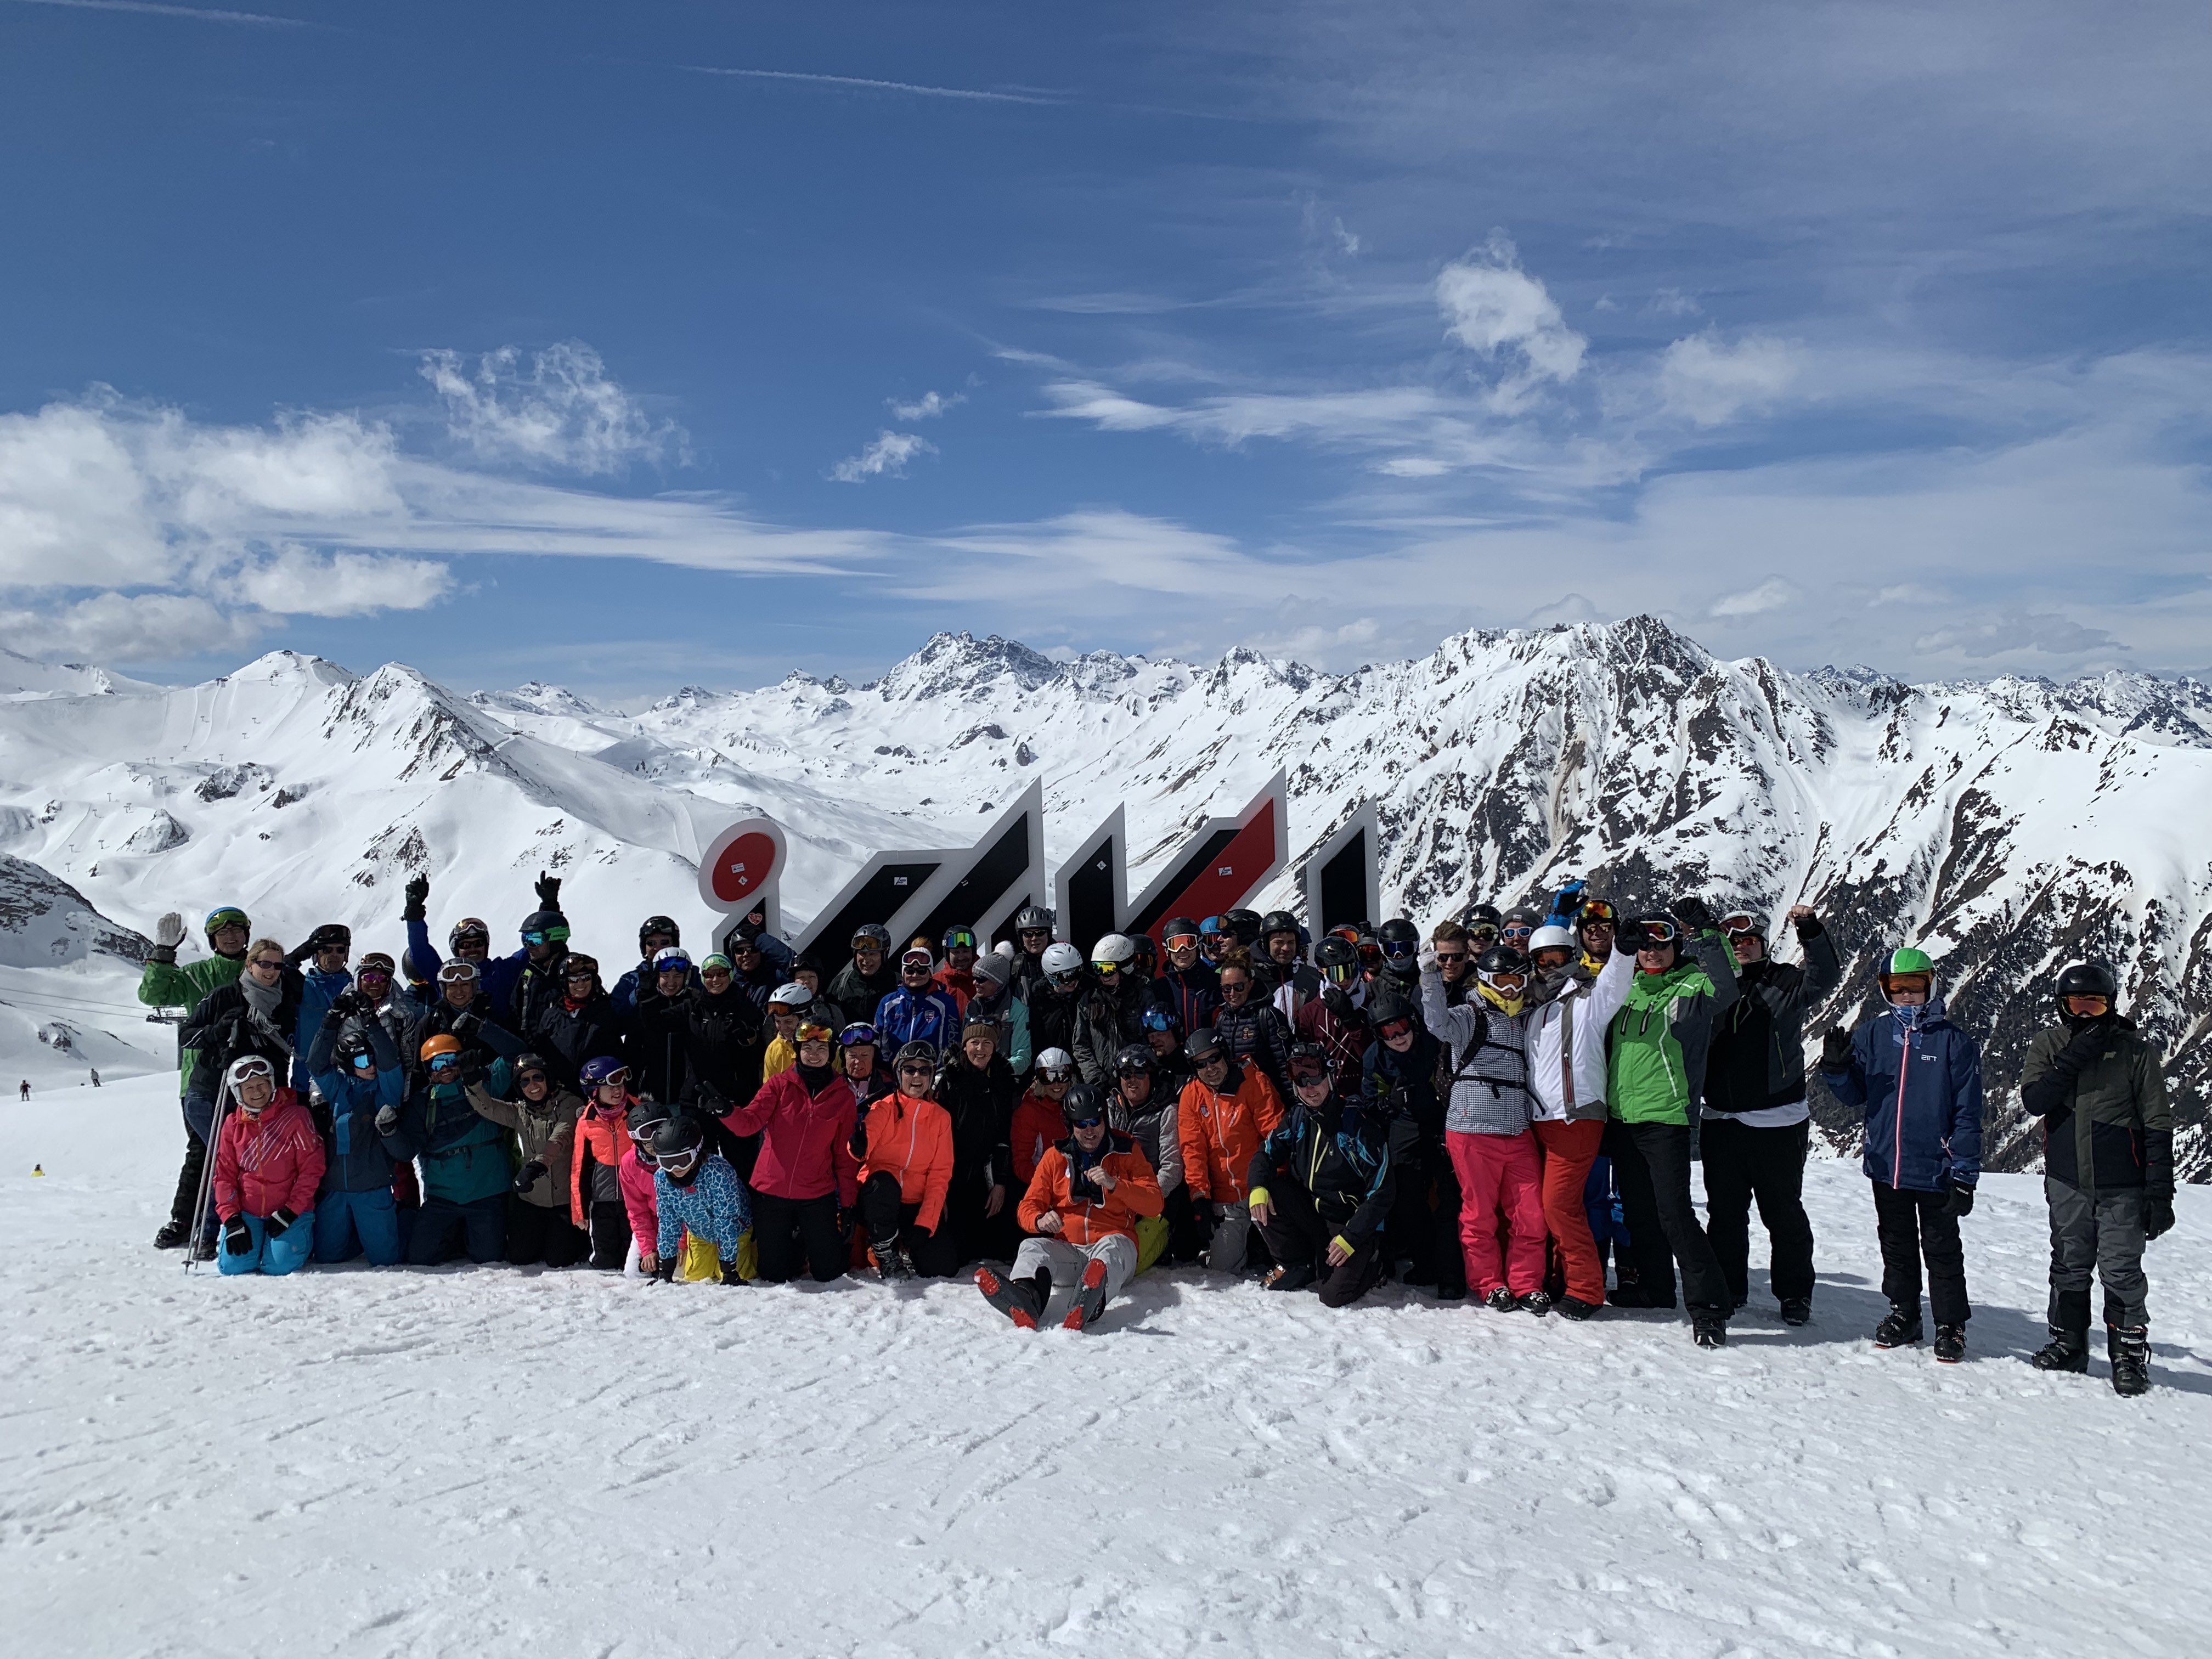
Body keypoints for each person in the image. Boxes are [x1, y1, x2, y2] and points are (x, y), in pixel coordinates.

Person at [1816, 946, 1982, 1363]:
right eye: (1898, 988)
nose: (1907, 995)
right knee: (1897, 1245)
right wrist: (1837, 1069)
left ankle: (1951, 1325)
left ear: (1931, 986)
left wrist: (1964, 1172)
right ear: (1885, 990)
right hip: (1886, 1165)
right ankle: (1904, 1313)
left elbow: (1967, 1111)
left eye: (1915, 987)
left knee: (1943, 1249)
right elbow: (1857, 1095)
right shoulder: (1874, 1034)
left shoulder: (1953, 1043)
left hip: (1936, 1169)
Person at [2017, 959, 2169, 1393]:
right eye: (2077, 1004)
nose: (2085, 1014)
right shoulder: (2047, 1044)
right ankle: (2068, 1344)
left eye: (2095, 1005)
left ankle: (2128, 1357)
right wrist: (2076, 1054)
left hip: (2124, 1184)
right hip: (2068, 1181)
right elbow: (2036, 1100)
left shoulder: (2134, 1053)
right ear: (2062, 1006)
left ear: (2111, 1005)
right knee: (2069, 1265)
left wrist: (2160, 1190)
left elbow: (2157, 1122)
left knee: (2121, 1271)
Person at [1604, 901, 1740, 1346]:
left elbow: (1728, 987)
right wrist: (1619, 956)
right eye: (1643, 945)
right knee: (1641, 1213)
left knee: (1676, 1215)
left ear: (1674, 945)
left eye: (1661, 943)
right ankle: (1657, 1290)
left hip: (1666, 1116)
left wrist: (1706, 935)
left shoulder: (1692, 985)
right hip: (1622, 1116)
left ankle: (1710, 1308)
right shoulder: (1627, 986)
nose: (1652, 952)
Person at [1699, 905, 1840, 1325]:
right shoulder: (1709, 985)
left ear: (1763, 942)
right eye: (1734, 940)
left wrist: (1810, 930)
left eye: (1749, 939)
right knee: (1725, 1213)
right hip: (1722, 1118)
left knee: (1782, 1212)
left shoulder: (1786, 981)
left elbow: (1825, 977)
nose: (1741, 946)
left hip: (1777, 1119)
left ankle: (1795, 1294)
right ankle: (1729, 1286)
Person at [1423, 943, 1548, 1313]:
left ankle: (1527, 1283)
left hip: (1517, 1129)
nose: (1511, 991)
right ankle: (1489, 1282)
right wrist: (1430, 977)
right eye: (1502, 982)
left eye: (1517, 982)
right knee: (1479, 1213)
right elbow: (1436, 1023)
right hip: (1472, 1128)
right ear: (1487, 981)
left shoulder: (1527, 1018)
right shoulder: (1467, 1015)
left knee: (1531, 1214)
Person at [979, 1081, 1163, 1330]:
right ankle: (1026, 1298)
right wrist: (1039, 1220)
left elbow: (1154, 1203)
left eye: (1095, 1122)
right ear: (1070, 1125)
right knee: (1031, 1246)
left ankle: (1090, 1302)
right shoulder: (1055, 1157)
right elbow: (1027, 1206)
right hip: (1070, 1250)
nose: (1089, 1131)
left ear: (1104, 1121)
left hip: (1114, 1246)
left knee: (1113, 1248)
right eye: (1081, 1124)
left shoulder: (1127, 1151)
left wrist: (1115, 1185)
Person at [1521, 924, 1634, 1319]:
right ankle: (1558, 1280)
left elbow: (1616, 984)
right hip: (1540, 1120)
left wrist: (1625, 948)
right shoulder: (1534, 1009)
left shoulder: (1589, 1000)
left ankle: (1587, 1288)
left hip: (1577, 1118)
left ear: (1573, 956)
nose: (1551, 967)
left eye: (1558, 958)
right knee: (1546, 1207)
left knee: (1560, 1207)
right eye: (1542, 960)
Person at [144, 905, 254, 1247]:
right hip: (200, 1080)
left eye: (237, 931)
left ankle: (240, 1217)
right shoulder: (195, 975)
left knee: (250, 1150)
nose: (231, 937)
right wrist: (163, 955)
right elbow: (152, 995)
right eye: (223, 934)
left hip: (252, 1078)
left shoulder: (262, 970)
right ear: (212, 941)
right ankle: (185, 1219)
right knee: (203, 1151)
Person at [1249, 1045, 1394, 1305]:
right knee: (1270, 1191)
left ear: (1329, 1077)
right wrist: (1257, 1187)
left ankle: (1374, 1266)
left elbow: (1382, 1192)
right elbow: (1266, 1154)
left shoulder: (1357, 1126)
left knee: (1332, 1296)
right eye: (1300, 1080)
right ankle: (1296, 1264)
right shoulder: (1297, 1118)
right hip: (1315, 1215)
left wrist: (1351, 1238)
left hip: (1350, 1223)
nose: (1309, 1088)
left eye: (1315, 1078)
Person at [719, 1019, 860, 1284]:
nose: (815, 1054)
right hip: (772, 1193)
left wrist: (849, 1204)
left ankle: (808, 1242)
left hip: (816, 1193)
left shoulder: (843, 1096)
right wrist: (726, 1112)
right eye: (808, 1048)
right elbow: (748, 1124)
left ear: (832, 1052)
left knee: (829, 1274)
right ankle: (795, 1246)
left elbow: (844, 1156)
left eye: (822, 1048)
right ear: (798, 1050)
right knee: (774, 1275)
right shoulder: (778, 1085)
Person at [1361, 990, 1459, 1298]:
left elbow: (1456, 1082)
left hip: (1444, 1121)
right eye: (1387, 1032)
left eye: (1402, 1026)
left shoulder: (1434, 1044)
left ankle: (1452, 1273)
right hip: (1404, 1125)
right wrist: (1388, 1104)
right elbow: (1369, 1102)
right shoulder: (1374, 1058)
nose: (1398, 1036)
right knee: (1407, 1196)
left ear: (1413, 1022)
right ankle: (1424, 1262)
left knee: (1451, 1196)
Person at [383, 1033, 512, 1265]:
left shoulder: (484, 1083)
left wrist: (483, 1028)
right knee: (421, 1257)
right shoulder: (422, 1103)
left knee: (488, 1257)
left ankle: (465, 1235)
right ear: (429, 1070)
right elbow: (405, 1152)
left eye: (451, 1061)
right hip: (443, 1198)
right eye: (436, 1064)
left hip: (486, 1193)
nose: (445, 1069)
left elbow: (515, 1053)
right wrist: (389, 1132)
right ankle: (452, 1233)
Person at [305, 992, 407, 1266]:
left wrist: (371, 1022)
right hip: (335, 1191)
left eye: (373, 1059)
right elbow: (316, 1064)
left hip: (373, 1190)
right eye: (363, 1061)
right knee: (327, 1258)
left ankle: (397, 1226)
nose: (371, 1066)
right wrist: (330, 1022)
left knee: (385, 1261)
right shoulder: (340, 1090)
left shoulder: (386, 1091)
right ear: (350, 1065)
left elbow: (389, 1062)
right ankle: (359, 1237)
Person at [1175, 1027, 1284, 1273]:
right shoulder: (1191, 1096)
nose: (1210, 1068)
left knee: (1284, 1256)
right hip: (1226, 1199)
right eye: (1201, 1064)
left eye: (1214, 1058)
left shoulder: (1254, 1082)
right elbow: (1193, 1150)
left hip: (1261, 1190)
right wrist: (1200, 1197)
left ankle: (1263, 1242)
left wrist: (1271, 1182)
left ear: (1225, 1054)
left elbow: (1275, 1138)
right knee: (1222, 1270)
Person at [469, 1052, 586, 1268]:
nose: (532, 1085)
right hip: (532, 1201)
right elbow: (488, 1107)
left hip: (564, 1202)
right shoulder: (520, 1112)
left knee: (559, 1260)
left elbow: (559, 1139)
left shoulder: (570, 1104)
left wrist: (536, 1166)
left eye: (537, 1078)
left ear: (548, 1078)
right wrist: (472, 1085)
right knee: (520, 1257)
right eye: (524, 1081)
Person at [211, 1055, 325, 1277]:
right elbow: (224, 1176)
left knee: (278, 1267)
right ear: (238, 1093)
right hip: (248, 1211)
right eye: (249, 1087)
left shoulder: (296, 1117)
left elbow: (312, 1169)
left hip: (289, 1210)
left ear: (272, 1083)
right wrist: (231, 1219)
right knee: (232, 1267)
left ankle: (293, 1239)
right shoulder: (233, 1125)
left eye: (262, 1084)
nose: (257, 1092)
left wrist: (291, 1211)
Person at [853, 1041, 957, 1279]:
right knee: (883, 1183)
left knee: (944, 1266)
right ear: (899, 1073)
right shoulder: (884, 1107)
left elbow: (940, 1174)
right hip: (880, 1199)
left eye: (924, 1070)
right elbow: (864, 1144)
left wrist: (926, 1222)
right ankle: (885, 1251)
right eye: (910, 1069)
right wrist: (858, 1145)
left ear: (932, 1074)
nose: (917, 1076)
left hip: (915, 1203)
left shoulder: (941, 1118)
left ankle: (904, 1245)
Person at [935, 1013, 1021, 1264]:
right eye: (974, 1043)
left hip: (986, 1173)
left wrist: (1001, 1183)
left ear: (995, 1048)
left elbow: (1004, 1137)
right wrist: (939, 1191)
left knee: (1002, 1247)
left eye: (987, 1043)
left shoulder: (1003, 1082)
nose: (980, 1049)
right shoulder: (948, 1080)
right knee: (954, 1257)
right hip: (952, 1174)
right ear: (964, 1045)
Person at [646, 1115, 750, 1285]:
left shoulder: (719, 1173)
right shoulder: (662, 1179)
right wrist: (665, 1272)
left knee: (736, 1274)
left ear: (696, 1152)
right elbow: (668, 1223)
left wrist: (730, 1270)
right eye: (667, 1162)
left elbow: (726, 1221)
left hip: (735, 1233)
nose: (675, 1169)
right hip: (699, 1234)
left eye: (681, 1160)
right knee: (697, 1278)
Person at [1107, 1043, 1184, 1271]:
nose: (1132, 1080)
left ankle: (1165, 1240)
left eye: (1140, 1073)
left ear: (1151, 1075)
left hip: (1155, 1204)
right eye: (1126, 1074)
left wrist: (1142, 1200)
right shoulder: (1111, 1106)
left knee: (1130, 1262)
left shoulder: (1167, 1111)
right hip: (1118, 1200)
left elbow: (1173, 1168)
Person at [570, 1056, 639, 1269]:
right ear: (594, 1091)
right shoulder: (586, 1121)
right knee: (606, 1260)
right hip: (603, 1199)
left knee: (632, 1259)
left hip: (635, 1197)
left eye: (620, 1083)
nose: (617, 1090)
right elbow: (579, 1166)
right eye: (609, 1086)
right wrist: (579, 1211)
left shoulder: (638, 1110)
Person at [531, 955, 628, 1093]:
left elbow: (617, 1056)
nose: (581, 984)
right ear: (565, 982)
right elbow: (540, 1055)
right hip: (559, 1097)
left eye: (586, 978)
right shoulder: (551, 1016)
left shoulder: (606, 1012)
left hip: (598, 1094)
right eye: (574, 980)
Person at [1072, 933, 1150, 1087]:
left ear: (1125, 967)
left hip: (1135, 1081)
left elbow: (1152, 1041)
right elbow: (1081, 1045)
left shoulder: (1143, 996)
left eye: (1108, 969)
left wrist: (1136, 1073)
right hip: (1101, 1084)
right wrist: (1095, 1078)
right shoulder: (1090, 1000)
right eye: (1098, 968)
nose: (1103, 975)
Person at [1297, 937, 1370, 1097]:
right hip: (1329, 1096)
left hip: (1366, 1092)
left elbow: (1372, 1055)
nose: (1345, 980)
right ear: (1322, 972)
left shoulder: (1369, 1002)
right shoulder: (1309, 1012)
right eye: (1337, 974)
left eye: (1350, 971)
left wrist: (1351, 1020)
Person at [284, 923, 353, 1093]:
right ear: (316, 954)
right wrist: (303, 951)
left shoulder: (355, 989)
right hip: (306, 1084)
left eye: (340, 950)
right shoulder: (303, 987)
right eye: (327, 950)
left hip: (347, 1086)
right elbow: (281, 969)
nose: (334, 955)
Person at [1211, 960, 1292, 1102]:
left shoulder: (1268, 1016)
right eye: (1226, 988)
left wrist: (1292, 1104)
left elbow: (1285, 1066)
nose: (1232, 993)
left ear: (1250, 985)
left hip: (1269, 1101)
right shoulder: (1222, 1019)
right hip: (1238, 1104)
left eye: (1239, 987)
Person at [630, 948, 700, 1105]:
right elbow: (631, 1052)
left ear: (686, 977)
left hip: (687, 1100)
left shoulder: (696, 1005)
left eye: (677, 976)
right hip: (648, 1099)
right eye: (665, 976)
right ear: (657, 977)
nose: (671, 982)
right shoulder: (645, 1007)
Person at [875, 944, 962, 1053]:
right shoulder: (888, 1003)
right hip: (895, 1068)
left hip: (931, 1068)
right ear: (903, 973)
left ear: (930, 973)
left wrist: (939, 1069)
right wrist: (889, 1068)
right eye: (910, 970)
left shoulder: (945, 1003)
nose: (915, 975)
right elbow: (880, 1043)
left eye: (922, 970)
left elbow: (949, 1043)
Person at [1011, 1048, 1076, 1192]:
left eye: (1062, 1075)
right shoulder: (1029, 1112)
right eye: (1048, 1077)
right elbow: (1021, 1164)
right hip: (1046, 1189)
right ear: (1039, 1080)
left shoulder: (1077, 1105)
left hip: (1077, 1185)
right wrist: (1051, 1185)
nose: (1056, 1084)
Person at [964, 950, 1031, 1076]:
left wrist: (992, 1070)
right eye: (974, 978)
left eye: (981, 979)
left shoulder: (1018, 1011)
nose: (975, 983)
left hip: (1002, 1084)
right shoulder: (971, 1007)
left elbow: (1023, 1058)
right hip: (972, 1081)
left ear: (998, 981)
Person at [611, 915, 692, 1015]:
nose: (658, 948)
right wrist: (637, 996)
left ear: (674, 944)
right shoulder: (630, 981)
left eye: (664, 942)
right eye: (651, 943)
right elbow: (614, 1015)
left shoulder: (691, 973)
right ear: (644, 947)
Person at [1155, 916, 1221, 1036]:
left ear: (1198, 945)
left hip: (1208, 1052)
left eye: (1189, 943)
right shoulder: (1160, 988)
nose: (1183, 950)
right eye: (1175, 945)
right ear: (1167, 950)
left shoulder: (1216, 983)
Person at [1026, 943, 1087, 1060]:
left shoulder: (1086, 991)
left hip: (1081, 1061)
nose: (1073, 981)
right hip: (1052, 1062)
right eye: (1066, 976)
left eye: (1078, 972)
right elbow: (1036, 1035)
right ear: (1051, 977)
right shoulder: (1040, 996)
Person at [827, 924, 899, 1018]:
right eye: (862, 953)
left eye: (873, 954)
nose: (867, 960)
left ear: (884, 954)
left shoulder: (897, 983)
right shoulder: (841, 984)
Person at [1259, 912, 1320, 1021]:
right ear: (1266, 944)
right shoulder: (1251, 977)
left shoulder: (1313, 977)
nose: (1286, 948)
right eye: (1279, 942)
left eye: (1291, 942)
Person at [1008, 906, 1056, 1002]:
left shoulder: (1062, 960)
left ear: (1049, 934)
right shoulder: (1015, 966)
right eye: (1028, 934)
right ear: (1021, 938)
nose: (1034, 938)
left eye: (1040, 933)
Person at [1431, 922, 1476, 1007]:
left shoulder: (1482, 985)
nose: (1450, 962)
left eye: (1457, 956)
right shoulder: (1426, 987)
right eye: (1443, 957)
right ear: (1436, 957)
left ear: (1467, 956)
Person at [935, 926, 981, 1010]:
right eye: (956, 952)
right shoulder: (936, 982)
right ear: (947, 954)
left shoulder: (984, 979)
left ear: (973, 952)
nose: (961, 957)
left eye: (966, 951)